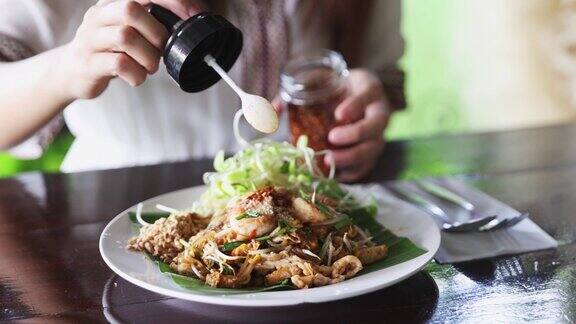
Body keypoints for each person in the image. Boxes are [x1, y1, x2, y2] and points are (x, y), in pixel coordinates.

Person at [0, 0, 404, 182]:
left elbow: (378, 74)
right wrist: (67, 67)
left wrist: (361, 103)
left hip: (301, 206)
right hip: (111, 223)